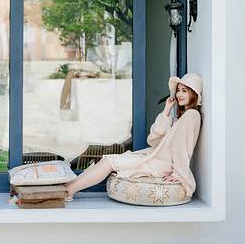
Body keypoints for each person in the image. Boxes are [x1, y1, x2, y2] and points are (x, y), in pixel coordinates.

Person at [64, 73, 203, 201]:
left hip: (161, 163)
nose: (179, 94)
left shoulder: (191, 115)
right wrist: (166, 110)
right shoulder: (181, 117)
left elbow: (182, 149)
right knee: (107, 160)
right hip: (155, 157)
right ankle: (70, 187)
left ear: (194, 94)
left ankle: (69, 190)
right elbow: (154, 139)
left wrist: (178, 174)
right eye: (178, 90)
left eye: (184, 91)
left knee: (109, 162)